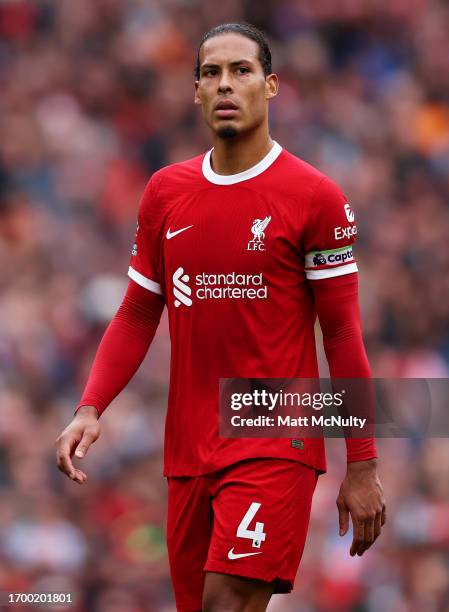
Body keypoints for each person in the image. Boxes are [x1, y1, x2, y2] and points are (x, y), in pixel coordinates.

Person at [56, 22, 386, 612]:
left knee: (226, 604)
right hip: (188, 446)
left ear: (272, 86)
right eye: (212, 73)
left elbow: (341, 333)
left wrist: (361, 464)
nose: (226, 84)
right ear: (196, 92)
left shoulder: (314, 196)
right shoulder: (165, 191)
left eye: (242, 71)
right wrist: (90, 406)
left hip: (273, 433)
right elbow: (136, 313)